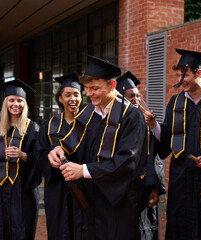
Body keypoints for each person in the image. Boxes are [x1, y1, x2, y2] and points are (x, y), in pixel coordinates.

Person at [48, 55, 148, 240]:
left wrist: (83, 170)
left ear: (111, 85)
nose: (89, 93)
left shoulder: (131, 117)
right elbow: (70, 141)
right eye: (86, 88)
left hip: (116, 203)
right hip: (88, 201)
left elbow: (128, 162)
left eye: (95, 88)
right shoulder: (88, 112)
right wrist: (58, 149)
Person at [145, 48, 201, 240]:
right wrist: (154, 125)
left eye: (185, 75)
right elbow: (167, 140)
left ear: (199, 73)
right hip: (181, 177)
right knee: (180, 226)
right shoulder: (175, 102)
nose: (181, 80)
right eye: (179, 75)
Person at [0, 79, 41, 240]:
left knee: (21, 229)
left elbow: (40, 160)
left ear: (25, 103)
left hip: (22, 191)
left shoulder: (33, 128)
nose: (16, 104)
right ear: (5, 103)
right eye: (11, 100)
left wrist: (23, 155)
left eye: (20, 100)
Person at [116, 71, 166, 240]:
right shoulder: (112, 125)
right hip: (121, 192)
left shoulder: (146, 125)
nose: (136, 99)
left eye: (137, 95)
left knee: (145, 231)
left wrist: (154, 187)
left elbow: (156, 157)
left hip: (144, 189)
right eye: (131, 96)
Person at [35, 73, 83, 240]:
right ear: (60, 99)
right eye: (67, 94)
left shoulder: (89, 124)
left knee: (82, 228)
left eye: (76, 94)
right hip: (57, 187)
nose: (73, 99)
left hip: (83, 186)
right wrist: (51, 162)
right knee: (58, 228)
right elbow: (40, 154)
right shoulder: (48, 126)